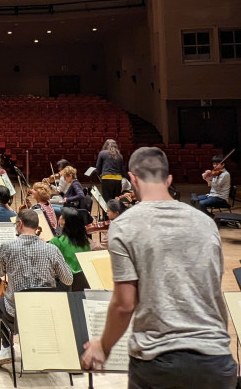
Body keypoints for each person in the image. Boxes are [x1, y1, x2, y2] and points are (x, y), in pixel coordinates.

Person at [81, 147, 235, 388]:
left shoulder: (124, 226)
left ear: (132, 179)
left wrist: (103, 345)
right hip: (216, 362)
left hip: (159, 362)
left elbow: (124, 304)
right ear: (169, 179)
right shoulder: (206, 224)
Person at [0, 208, 72, 366]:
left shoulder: (8, 247)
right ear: (37, 226)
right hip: (47, 312)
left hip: (17, 311)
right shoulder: (52, 249)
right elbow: (68, 280)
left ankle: (7, 347)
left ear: (20, 224)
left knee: (1, 302)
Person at [49, 207, 92, 290]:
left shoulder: (56, 241)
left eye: (61, 216)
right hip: (84, 283)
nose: (59, 217)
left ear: (64, 221)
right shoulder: (85, 242)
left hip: (65, 284)